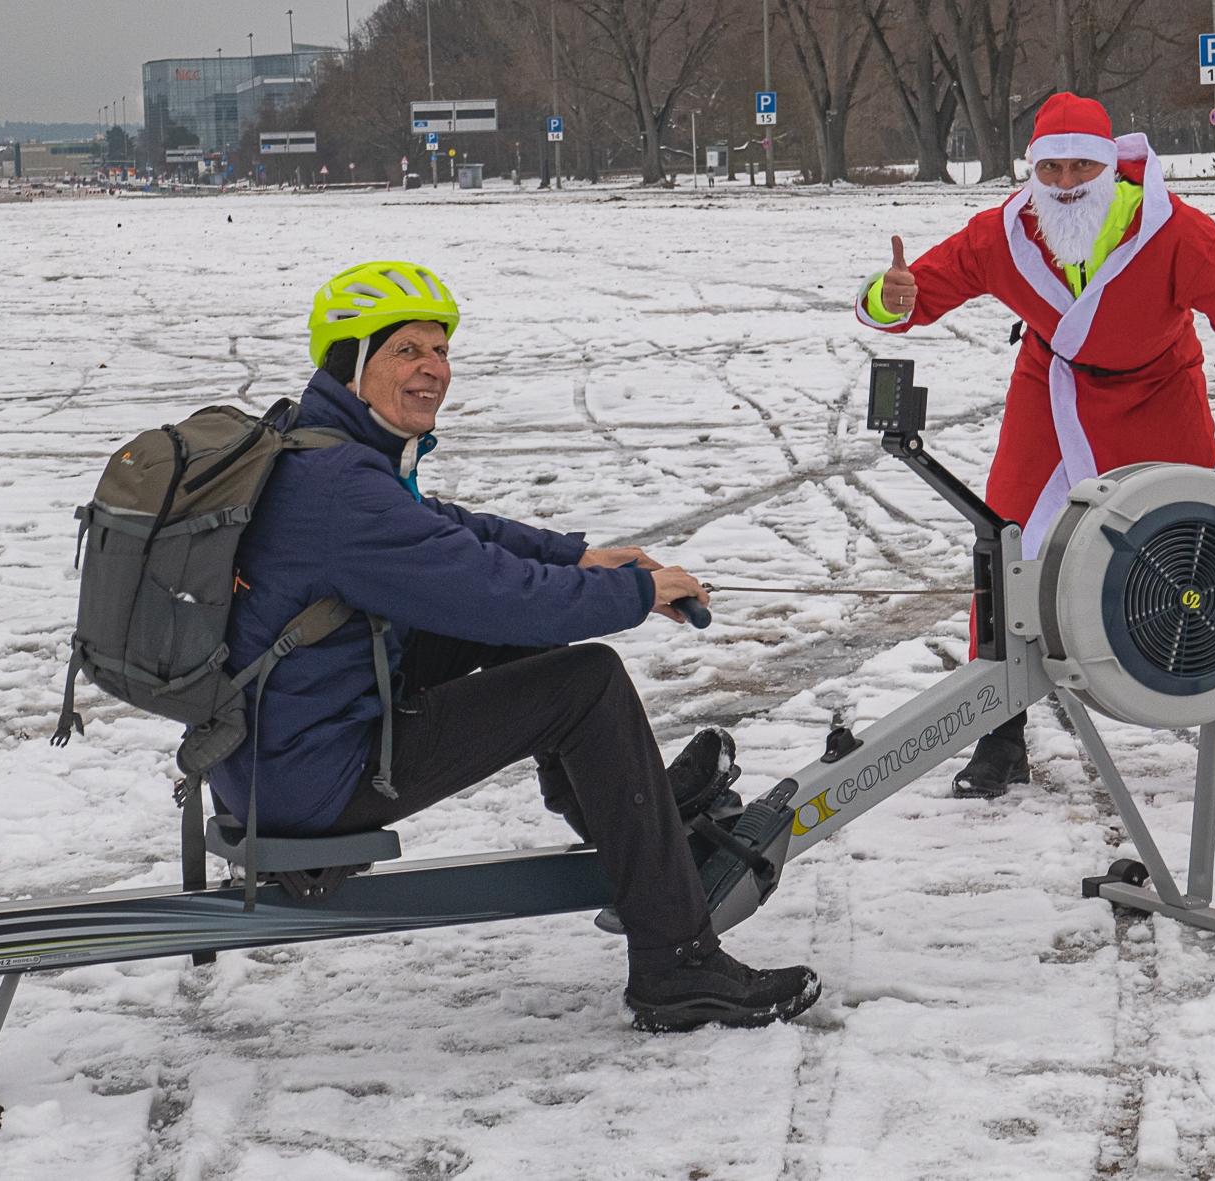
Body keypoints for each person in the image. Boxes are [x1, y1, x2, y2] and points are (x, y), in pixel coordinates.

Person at [208, 259, 820, 1031]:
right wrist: (634, 593)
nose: (435, 369)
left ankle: (639, 817)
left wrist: (578, 557)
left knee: (513, 634)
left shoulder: (327, 450)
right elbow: (493, 591)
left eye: (441, 350)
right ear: (350, 362)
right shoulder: (342, 491)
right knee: (586, 679)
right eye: (407, 351)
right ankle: (677, 965)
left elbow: (451, 535)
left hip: (282, 743)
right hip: (311, 777)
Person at [855, 93, 1215, 803]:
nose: (1064, 183)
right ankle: (1000, 735)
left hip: (1161, 389)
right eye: (1049, 167)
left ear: (1110, 167)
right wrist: (890, 296)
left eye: (1080, 165)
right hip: (1052, 392)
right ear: (1031, 170)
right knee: (1004, 548)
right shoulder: (1005, 231)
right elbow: (914, 294)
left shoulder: (1173, 229)